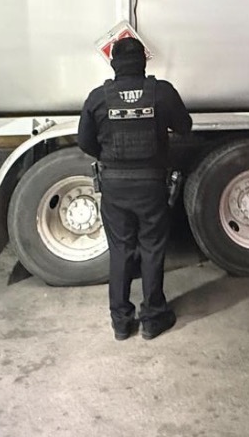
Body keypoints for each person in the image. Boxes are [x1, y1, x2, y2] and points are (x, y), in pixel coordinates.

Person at [77, 37, 192, 341]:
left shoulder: (98, 98)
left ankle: (121, 322)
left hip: (114, 186)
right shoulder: (161, 92)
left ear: (114, 64)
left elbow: (84, 142)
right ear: (143, 61)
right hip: (151, 185)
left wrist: (110, 158)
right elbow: (185, 126)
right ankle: (153, 319)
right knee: (152, 248)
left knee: (120, 250)